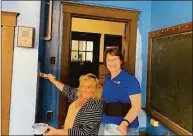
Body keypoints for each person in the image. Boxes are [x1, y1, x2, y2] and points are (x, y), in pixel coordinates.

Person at [99, 48, 142, 135]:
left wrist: (124, 123)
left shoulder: (130, 80)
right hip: (105, 125)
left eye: (115, 59)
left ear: (121, 61)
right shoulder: (107, 79)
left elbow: (136, 107)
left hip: (125, 128)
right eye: (108, 60)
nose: (112, 63)